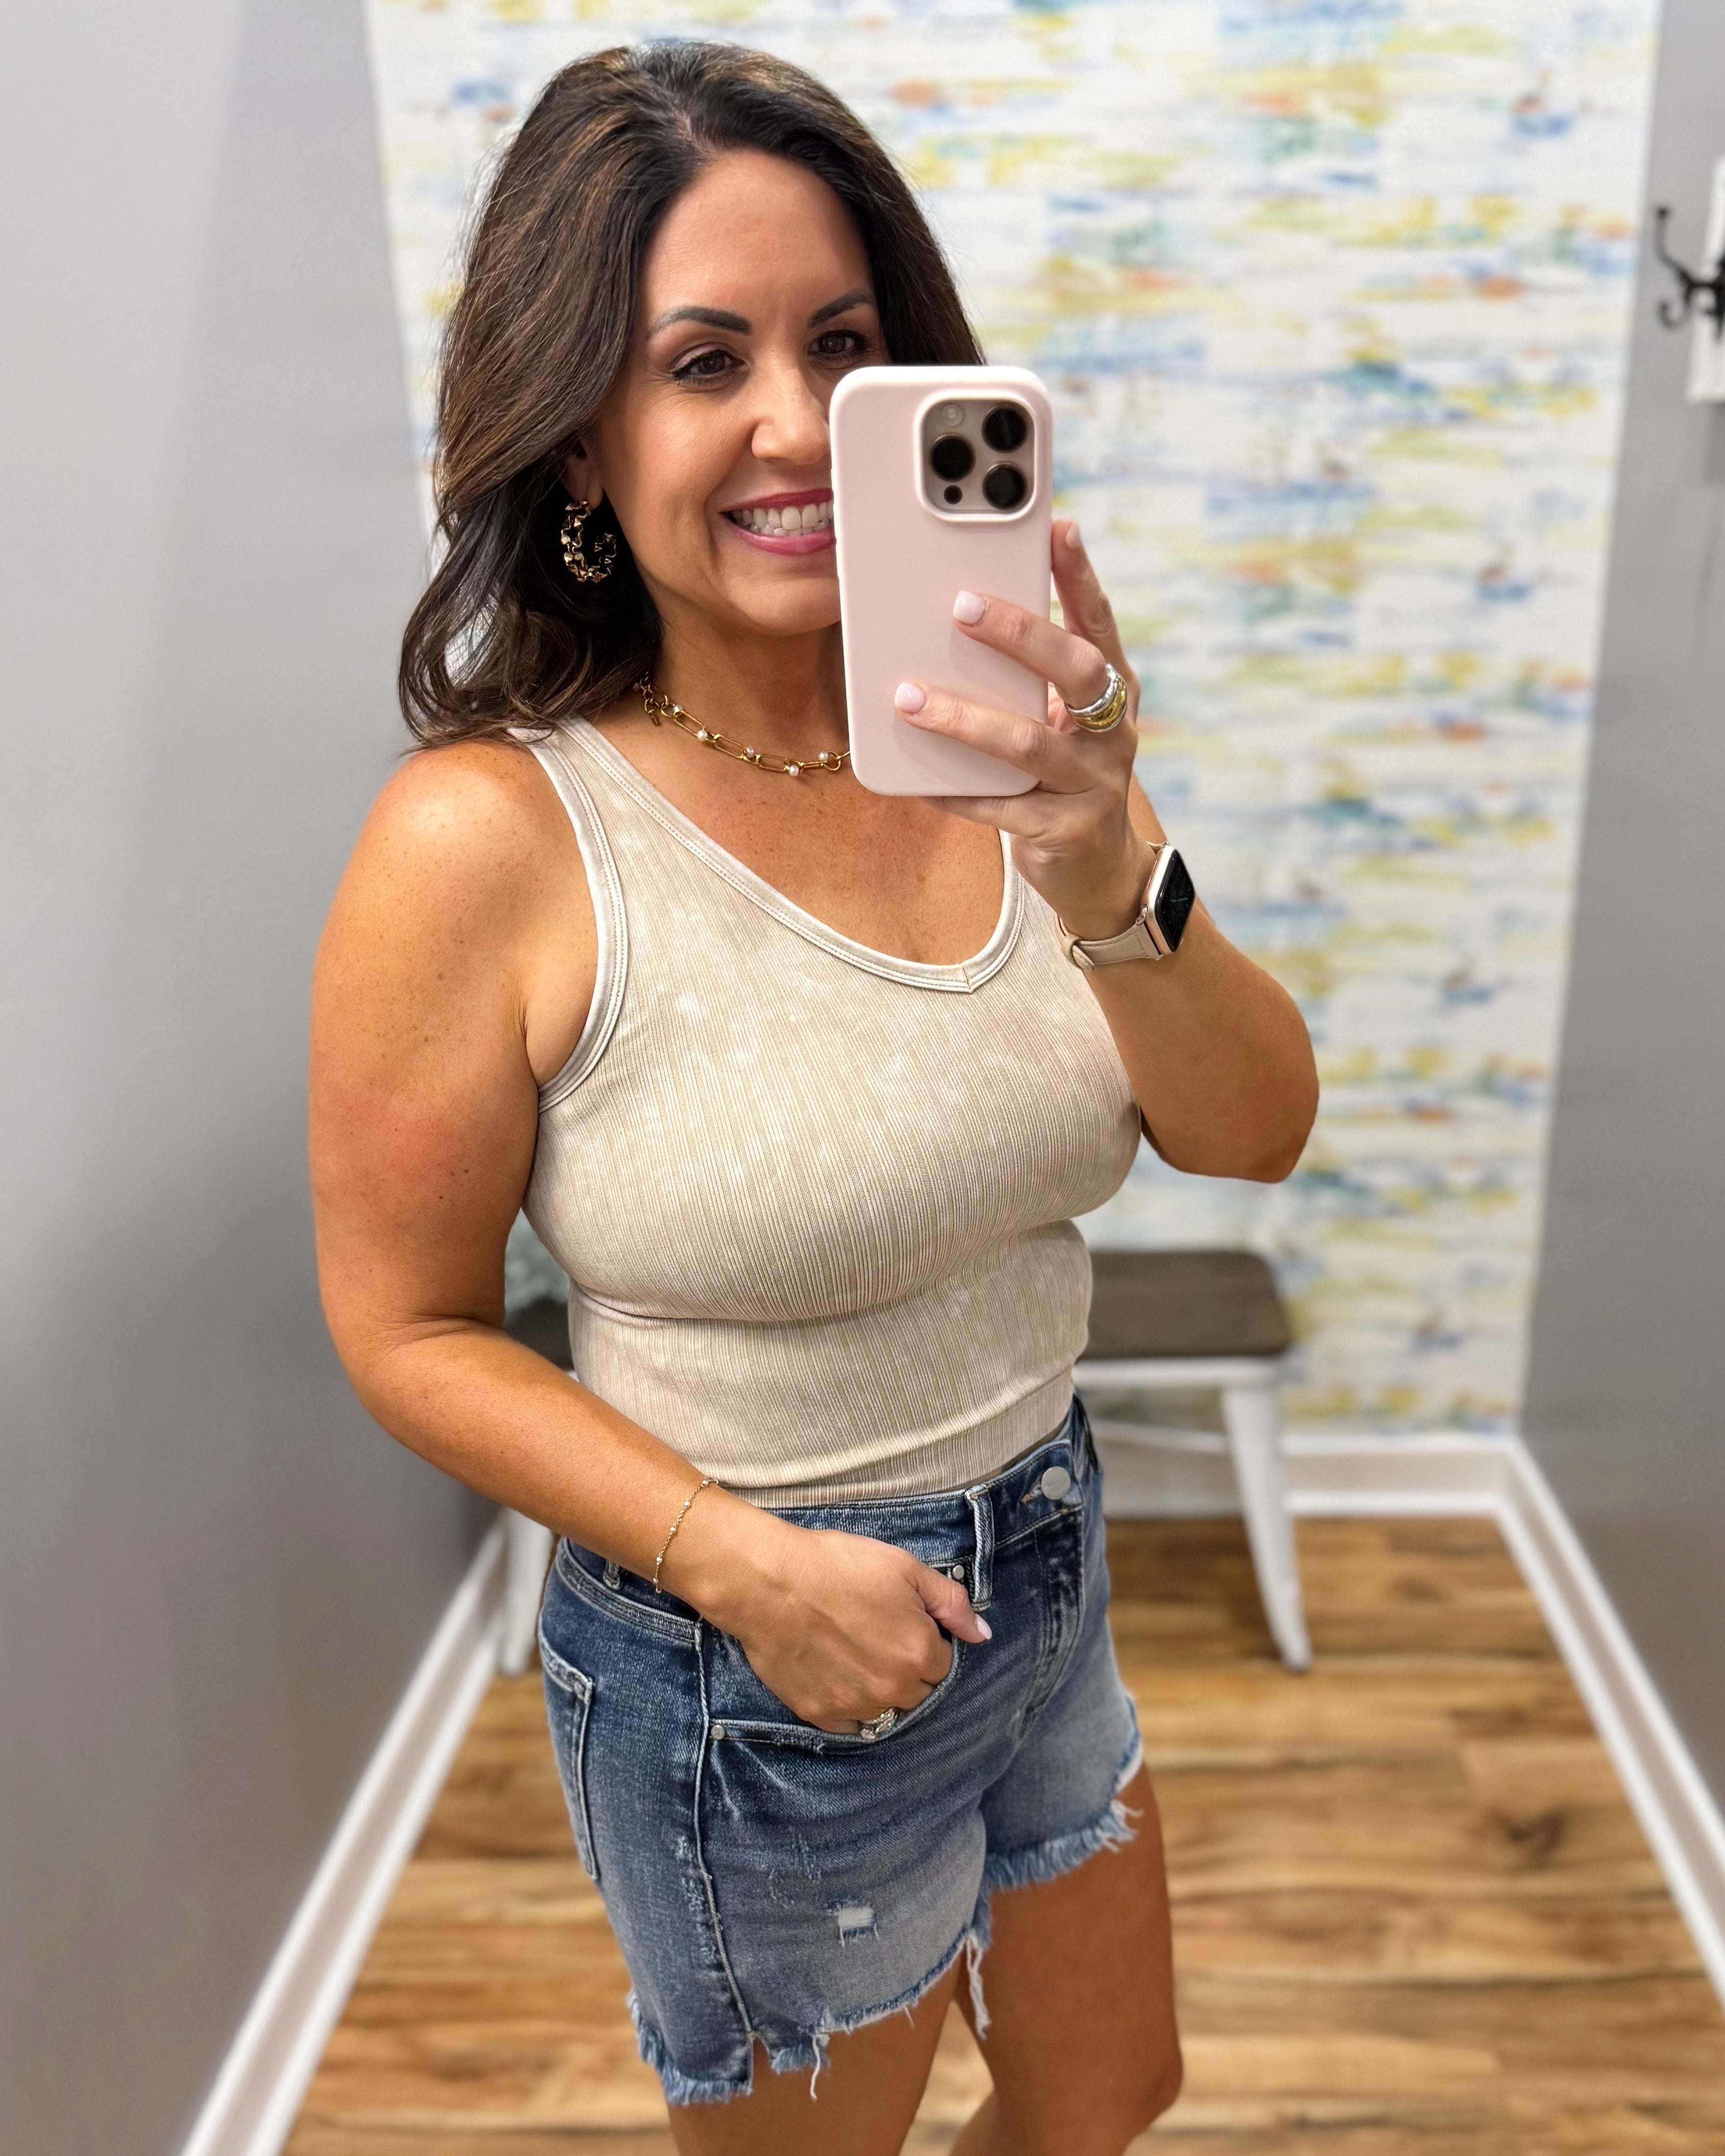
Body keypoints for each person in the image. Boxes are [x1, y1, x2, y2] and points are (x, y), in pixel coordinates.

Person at [310, 41, 1318, 2156]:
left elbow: (1247, 1132)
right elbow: (400, 1327)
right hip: (748, 1651)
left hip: (1042, 1550)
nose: (788, 423)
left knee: (1103, 2088)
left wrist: (1106, 854)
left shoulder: (999, 741)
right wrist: (743, 1568)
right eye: (700, 360)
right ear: (579, 435)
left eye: (840, 347)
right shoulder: (487, 843)